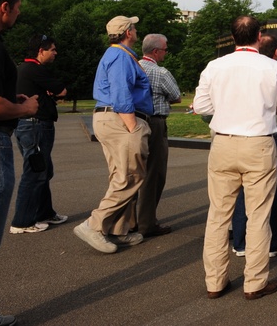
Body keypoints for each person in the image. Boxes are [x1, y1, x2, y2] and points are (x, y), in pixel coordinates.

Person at [193, 16, 277, 301]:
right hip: (258, 144)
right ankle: (254, 282)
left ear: (233, 36)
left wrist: (228, 108)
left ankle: (215, 282)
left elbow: (200, 105)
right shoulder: (274, 67)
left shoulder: (215, 66)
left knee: (217, 216)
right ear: (259, 35)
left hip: (224, 143)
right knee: (258, 216)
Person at [0, 0, 39, 326]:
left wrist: (9, 99)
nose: (18, 11)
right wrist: (25, 109)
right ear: (5, 7)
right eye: (18, 6)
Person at [74, 16, 152, 254]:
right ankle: (94, 225)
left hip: (110, 118)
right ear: (128, 32)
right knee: (129, 176)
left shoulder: (116, 54)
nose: (136, 29)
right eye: (134, 27)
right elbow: (121, 92)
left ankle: (117, 230)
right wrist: (133, 126)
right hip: (120, 118)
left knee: (120, 174)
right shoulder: (120, 56)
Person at [231, 34, 277, 258]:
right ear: (276, 52)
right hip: (268, 134)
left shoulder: (234, 68)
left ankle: (240, 243)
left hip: (233, 134)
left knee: (242, 192)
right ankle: (274, 244)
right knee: (272, 192)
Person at [10, 34, 68, 234]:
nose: (55, 53)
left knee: (44, 171)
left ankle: (45, 213)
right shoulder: (35, 69)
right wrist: (51, 93)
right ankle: (22, 222)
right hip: (36, 126)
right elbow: (62, 91)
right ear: (40, 51)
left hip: (27, 126)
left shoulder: (21, 69)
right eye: (52, 49)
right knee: (35, 172)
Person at [136, 33, 181, 237]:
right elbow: (177, 96)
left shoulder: (134, 66)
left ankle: (129, 221)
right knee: (154, 174)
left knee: (135, 172)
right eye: (164, 49)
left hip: (133, 121)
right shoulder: (160, 72)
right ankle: (146, 223)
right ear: (155, 51)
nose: (166, 52)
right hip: (155, 123)